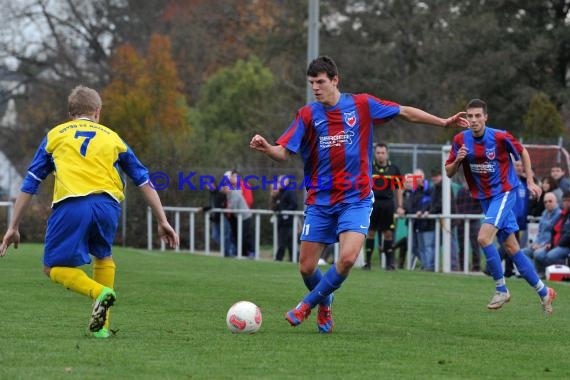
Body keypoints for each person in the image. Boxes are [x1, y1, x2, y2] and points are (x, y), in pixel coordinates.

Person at [249, 55, 468, 333]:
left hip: (356, 199)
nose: (315, 88)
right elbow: (283, 151)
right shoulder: (307, 115)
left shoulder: (361, 105)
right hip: (320, 201)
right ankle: (325, 302)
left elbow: (404, 111)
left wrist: (444, 122)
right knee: (306, 268)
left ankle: (306, 306)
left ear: (335, 80)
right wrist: (267, 147)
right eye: (311, 83)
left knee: (349, 257)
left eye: (320, 82)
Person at [0, 85, 179, 338]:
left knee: (51, 268)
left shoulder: (55, 136)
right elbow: (143, 180)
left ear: (70, 113)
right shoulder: (113, 138)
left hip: (72, 204)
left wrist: (13, 226)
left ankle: (98, 293)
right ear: (98, 111)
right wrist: (162, 220)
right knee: (103, 257)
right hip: (108, 206)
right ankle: (101, 328)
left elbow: (30, 183)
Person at [445, 98, 556, 314]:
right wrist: (458, 160)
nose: (474, 120)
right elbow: (449, 172)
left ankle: (501, 289)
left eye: (478, 115)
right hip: (486, 198)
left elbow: (522, 151)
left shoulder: (499, 136)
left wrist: (531, 181)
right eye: (470, 116)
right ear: (466, 118)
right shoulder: (460, 140)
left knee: (483, 237)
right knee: (512, 247)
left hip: (505, 192)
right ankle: (544, 292)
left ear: (486, 117)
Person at [363, 142, 404, 270]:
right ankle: (368, 262)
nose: (380, 155)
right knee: (370, 232)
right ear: (375, 154)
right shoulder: (369, 167)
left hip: (388, 204)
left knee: (388, 234)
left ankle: (389, 263)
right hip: (372, 203)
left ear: (387, 154)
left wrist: (400, 206)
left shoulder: (394, 169)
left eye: (383, 153)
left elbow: (399, 189)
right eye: (378, 153)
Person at [523, 192, 561, 274]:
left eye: (550, 201)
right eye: (545, 202)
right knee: (523, 252)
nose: (547, 203)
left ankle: (538, 273)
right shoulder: (544, 214)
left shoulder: (559, 214)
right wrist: (535, 243)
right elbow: (540, 232)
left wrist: (542, 245)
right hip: (539, 243)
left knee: (537, 253)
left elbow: (555, 234)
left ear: (556, 201)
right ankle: (532, 272)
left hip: (549, 245)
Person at [533, 192, 570, 275]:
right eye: (564, 201)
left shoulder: (559, 214)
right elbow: (554, 231)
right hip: (555, 244)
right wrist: (551, 244)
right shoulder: (563, 215)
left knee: (549, 256)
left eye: (568, 200)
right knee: (537, 254)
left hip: (565, 246)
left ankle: (565, 268)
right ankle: (539, 273)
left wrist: (556, 244)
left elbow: (568, 235)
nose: (566, 203)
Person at [270, 175, 299, 261]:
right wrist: (273, 195)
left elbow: (294, 205)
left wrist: (285, 213)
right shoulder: (280, 193)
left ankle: (280, 259)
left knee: (286, 242)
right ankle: (292, 259)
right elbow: (275, 206)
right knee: (287, 242)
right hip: (282, 222)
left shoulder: (290, 192)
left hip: (289, 222)